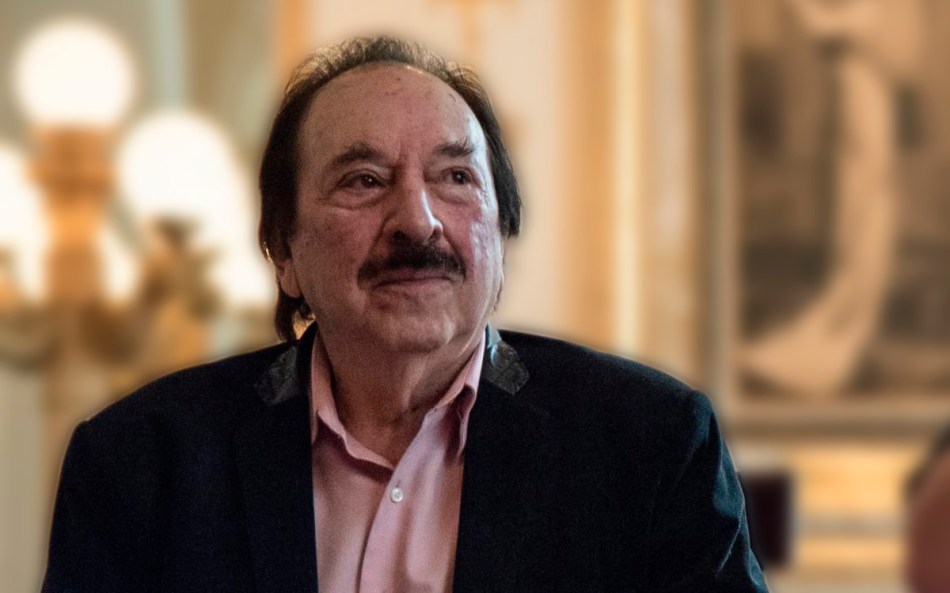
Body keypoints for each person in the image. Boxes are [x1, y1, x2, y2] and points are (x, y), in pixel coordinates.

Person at [42, 36, 768, 593]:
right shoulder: (139, 463)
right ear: (284, 252)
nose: (418, 221)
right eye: (363, 180)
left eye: (456, 177)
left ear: (499, 238)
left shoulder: (652, 444)